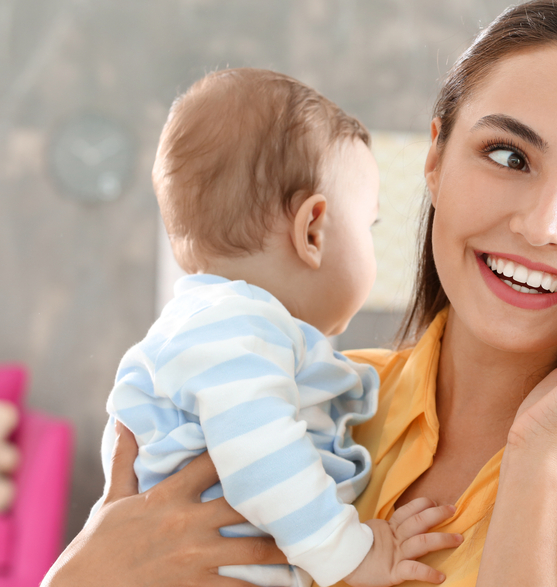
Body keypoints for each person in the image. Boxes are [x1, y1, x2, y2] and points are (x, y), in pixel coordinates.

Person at [43, 0, 557, 587]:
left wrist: (539, 457)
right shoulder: (320, 406)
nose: (542, 225)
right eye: (508, 156)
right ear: (435, 157)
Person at [87, 68, 461, 587]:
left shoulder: (218, 329)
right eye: (368, 225)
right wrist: (350, 553)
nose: (372, 246)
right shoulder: (235, 329)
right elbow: (260, 456)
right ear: (313, 229)